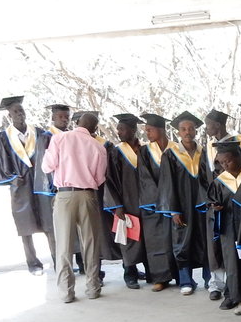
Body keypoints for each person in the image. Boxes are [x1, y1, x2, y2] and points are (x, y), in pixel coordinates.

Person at [41, 112, 107, 303]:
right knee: (91, 244)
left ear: (76, 123)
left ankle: (66, 292)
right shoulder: (98, 146)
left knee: (63, 245)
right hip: (88, 196)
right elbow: (100, 178)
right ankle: (93, 288)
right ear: (94, 129)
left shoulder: (59, 139)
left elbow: (47, 167)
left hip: (64, 195)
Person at [0, 95, 56, 275]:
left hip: (41, 186)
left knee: (49, 223)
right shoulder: (2, 138)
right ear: (9, 115)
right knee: (25, 227)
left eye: (21, 110)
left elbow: (52, 155)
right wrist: (10, 179)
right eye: (15, 111)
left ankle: (58, 260)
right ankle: (33, 263)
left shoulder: (40, 133)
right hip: (20, 187)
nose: (19, 114)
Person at [206, 138, 241, 315]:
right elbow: (210, 209)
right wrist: (215, 210)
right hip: (229, 229)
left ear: (239, 156)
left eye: (228, 160)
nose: (225, 165)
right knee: (234, 264)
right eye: (221, 162)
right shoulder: (220, 182)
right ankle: (240, 298)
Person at [159, 111, 208, 296]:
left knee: (204, 240)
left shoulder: (204, 152)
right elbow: (167, 184)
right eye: (183, 129)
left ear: (196, 131)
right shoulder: (171, 154)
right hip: (181, 206)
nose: (187, 132)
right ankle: (185, 280)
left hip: (201, 205)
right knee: (182, 241)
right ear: (178, 132)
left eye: (191, 128)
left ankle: (208, 279)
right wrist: (173, 210)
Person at [103, 114, 148, 289]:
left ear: (133, 130)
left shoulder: (144, 150)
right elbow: (110, 180)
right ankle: (129, 273)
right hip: (126, 202)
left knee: (145, 237)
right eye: (118, 129)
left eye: (122, 129)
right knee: (128, 238)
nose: (118, 132)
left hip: (144, 202)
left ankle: (147, 269)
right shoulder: (116, 151)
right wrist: (117, 206)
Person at [138, 113, 178, 292]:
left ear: (161, 129)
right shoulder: (145, 151)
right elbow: (144, 179)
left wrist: (173, 201)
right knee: (156, 242)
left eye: (149, 129)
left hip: (175, 203)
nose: (147, 133)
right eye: (145, 130)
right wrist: (161, 200)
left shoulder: (176, 149)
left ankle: (179, 276)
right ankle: (160, 278)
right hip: (153, 204)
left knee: (175, 240)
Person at [201, 108, 232, 301]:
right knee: (214, 245)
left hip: (229, 203)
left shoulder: (236, 144)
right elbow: (203, 177)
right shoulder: (208, 147)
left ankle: (231, 283)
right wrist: (210, 200)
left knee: (228, 245)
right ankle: (216, 284)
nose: (206, 129)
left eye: (208, 124)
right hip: (213, 204)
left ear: (218, 125)